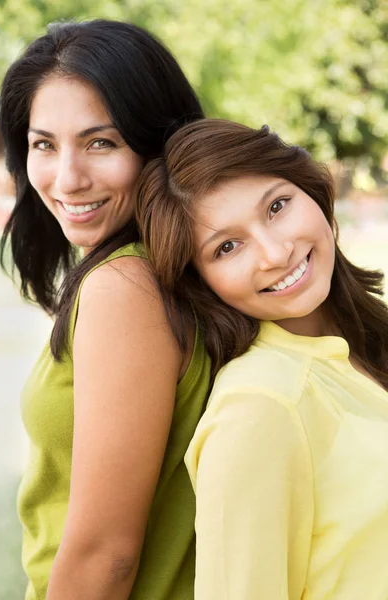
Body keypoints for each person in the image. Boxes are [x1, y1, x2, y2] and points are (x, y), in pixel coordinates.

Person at [0, 20, 211, 600]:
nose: (66, 178)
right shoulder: (156, 268)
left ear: (159, 143)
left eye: (102, 142)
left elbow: (105, 556)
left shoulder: (126, 286)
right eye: (44, 144)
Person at [136, 118, 388, 599]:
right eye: (227, 247)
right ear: (200, 283)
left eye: (276, 206)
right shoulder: (258, 409)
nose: (275, 252)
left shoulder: (363, 342)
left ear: (310, 188)